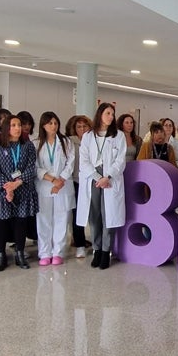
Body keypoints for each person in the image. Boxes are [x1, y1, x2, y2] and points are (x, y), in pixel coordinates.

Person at [78, 102, 128, 270]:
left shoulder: (118, 136)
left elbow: (120, 160)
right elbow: (83, 160)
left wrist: (107, 177)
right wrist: (97, 176)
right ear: (100, 114)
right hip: (93, 178)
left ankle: (106, 251)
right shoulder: (88, 136)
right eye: (108, 113)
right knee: (95, 216)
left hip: (110, 179)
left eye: (112, 114)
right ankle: (97, 249)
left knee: (109, 217)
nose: (111, 117)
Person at [0, 115, 38, 270]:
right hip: (2, 191)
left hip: (22, 188)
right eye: (13, 125)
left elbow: (31, 167)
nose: (17, 128)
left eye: (19, 125)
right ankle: (1, 254)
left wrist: (17, 184)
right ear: (6, 128)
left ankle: (20, 253)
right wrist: (7, 187)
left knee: (20, 222)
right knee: (0, 222)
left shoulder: (27, 146)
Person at [35, 111, 74, 266]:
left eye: (56, 123)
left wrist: (60, 180)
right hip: (45, 186)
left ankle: (58, 252)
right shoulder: (36, 143)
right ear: (43, 125)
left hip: (63, 186)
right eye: (50, 123)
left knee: (61, 219)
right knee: (44, 219)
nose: (53, 126)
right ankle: (44, 253)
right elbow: (35, 167)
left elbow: (70, 164)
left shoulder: (66, 143)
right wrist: (52, 180)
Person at [66, 115, 93, 259]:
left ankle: (97, 242)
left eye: (85, 126)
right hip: (76, 182)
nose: (82, 129)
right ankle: (80, 245)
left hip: (93, 182)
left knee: (94, 214)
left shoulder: (94, 141)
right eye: (79, 127)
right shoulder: (70, 142)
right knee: (77, 215)